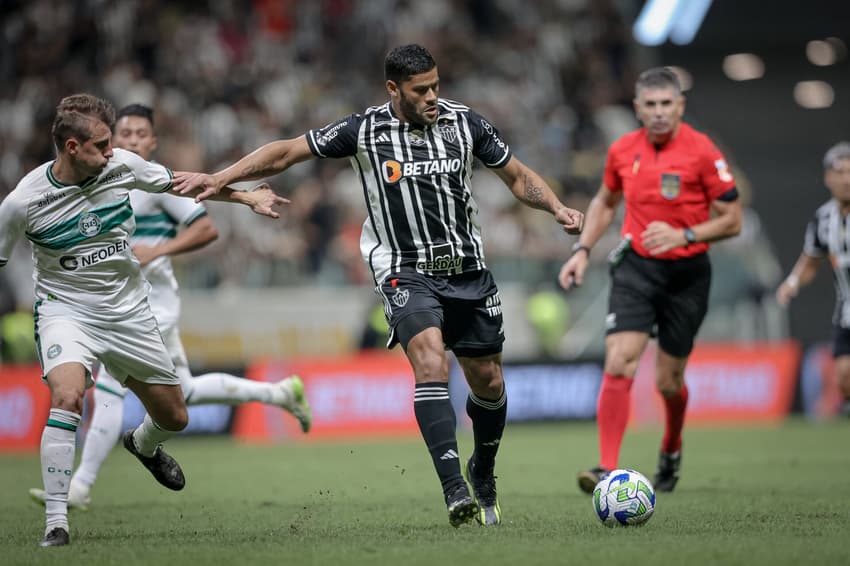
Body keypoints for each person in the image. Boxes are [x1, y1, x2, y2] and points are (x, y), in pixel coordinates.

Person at [174, 44, 584, 527]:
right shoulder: (363, 130)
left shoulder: (465, 123)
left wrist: (555, 207)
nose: (432, 96)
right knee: (430, 360)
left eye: (436, 85)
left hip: (469, 269)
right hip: (404, 268)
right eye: (420, 90)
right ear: (394, 89)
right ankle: (455, 491)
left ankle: (483, 469)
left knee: (488, 381)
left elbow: (515, 175)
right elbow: (286, 151)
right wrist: (222, 177)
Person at [0, 93, 285, 547]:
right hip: (65, 311)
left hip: (129, 311)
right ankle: (57, 521)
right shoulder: (22, 203)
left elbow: (186, 185)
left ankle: (143, 444)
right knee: (69, 395)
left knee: (175, 417)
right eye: (102, 145)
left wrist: (246, 196)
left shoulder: (124, 167)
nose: (112, 151)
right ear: (72, 147)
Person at [558, 67, 742, 494]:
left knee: (668, 382)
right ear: (638, 109)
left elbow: (732, 219)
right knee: (620, 359)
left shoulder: (702, 151)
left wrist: (686, 234)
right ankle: (606, 468)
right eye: (651, 105)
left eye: (666, 104)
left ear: (680, 106)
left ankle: (672, 445)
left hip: (688, 274)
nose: (659, 113)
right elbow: (606, 200)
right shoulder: (623, 150)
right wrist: (582, 251)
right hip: (636, 267)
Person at [776, 141, 850, 418]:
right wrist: (792, 283)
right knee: (843, 379)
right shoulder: (823, 219)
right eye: (840, 172)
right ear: (828, 178)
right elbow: (811, 259)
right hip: (846, 312)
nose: (846, 179)